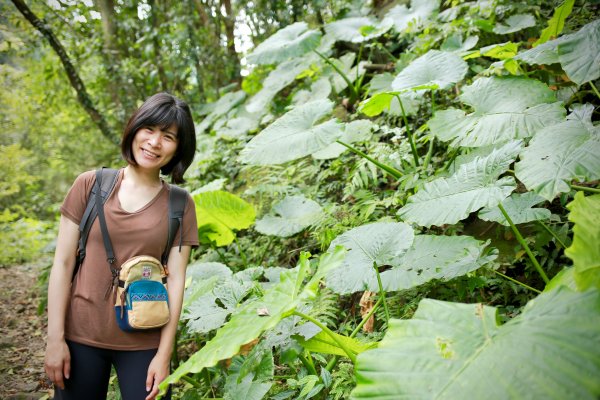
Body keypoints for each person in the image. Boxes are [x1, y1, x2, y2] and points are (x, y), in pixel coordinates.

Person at [44, 92, 199, 400]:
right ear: (135, 128)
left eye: (168, 136)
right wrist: (55, 339)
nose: (154, 143)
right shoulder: (90, 185)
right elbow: (62, 265)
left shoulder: (180, 204)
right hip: (81, 335)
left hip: (146, 339)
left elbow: (177, 281)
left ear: (178, 148)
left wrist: (164, 354)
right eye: (149, 129)